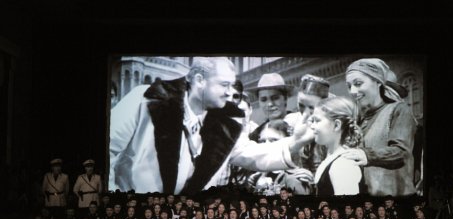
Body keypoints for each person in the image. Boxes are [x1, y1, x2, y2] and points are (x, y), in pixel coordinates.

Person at [109, 57, 311, 194]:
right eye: (224, 85)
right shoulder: (146, 99)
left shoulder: (225, 124)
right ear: (199, 80)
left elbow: (251, 154)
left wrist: (295, 142)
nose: (229, 92)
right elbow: (105, 150)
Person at [341, 58, 417, 196]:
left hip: (396, 198)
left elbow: (401, 153)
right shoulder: (358, 120)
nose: (352, 91)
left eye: (358, 83)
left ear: (378, 82)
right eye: (349, 86)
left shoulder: (399, 110)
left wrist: (367, 155)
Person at [284, 74, 335, 179]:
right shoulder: (290, 122)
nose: (305, 114)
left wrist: (313, 178)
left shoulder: (333, 127)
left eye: (312, 107)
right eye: (301, 105)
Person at [310, 96, 363, 196]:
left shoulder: (343, 164)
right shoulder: (331, 158)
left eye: (317, 121)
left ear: (336, 125)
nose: (312, 126)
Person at [247, 72, 294, 142]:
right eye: (264, 100)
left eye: (275, 98)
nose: (269, 104)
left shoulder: (299, 123)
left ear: (285, 98)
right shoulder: (254, 137)